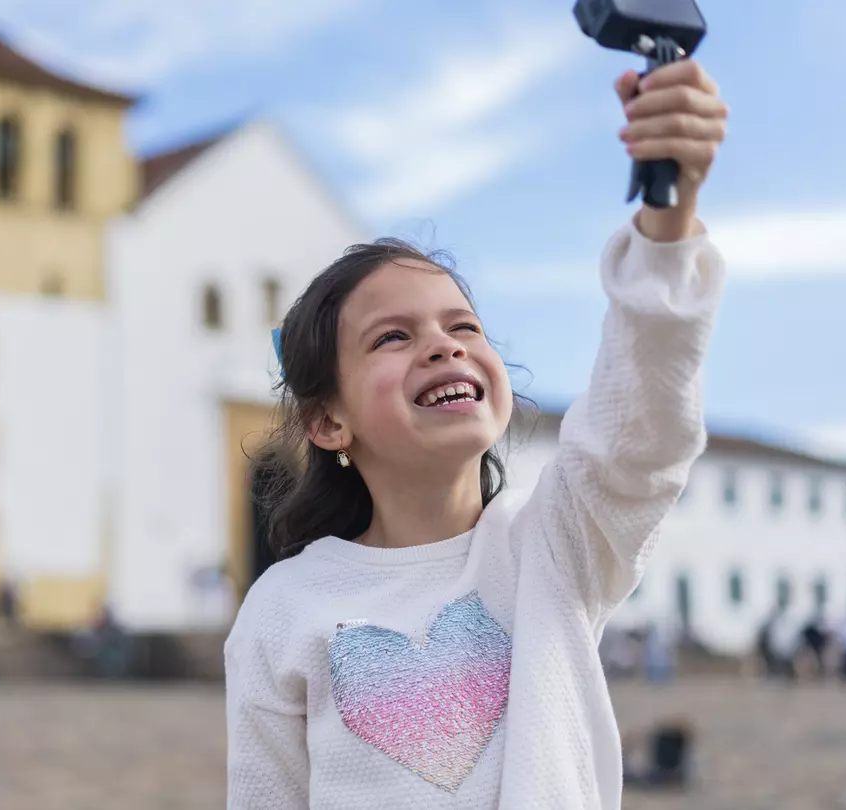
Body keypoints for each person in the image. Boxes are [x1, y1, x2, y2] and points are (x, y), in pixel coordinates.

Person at [224, 60, 728, 808]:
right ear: (329, 422)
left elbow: (640, 429)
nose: (444, 345)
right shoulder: (283, 607)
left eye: (464, 326)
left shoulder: (555, 548)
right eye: (392, 337)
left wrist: (668, 221)